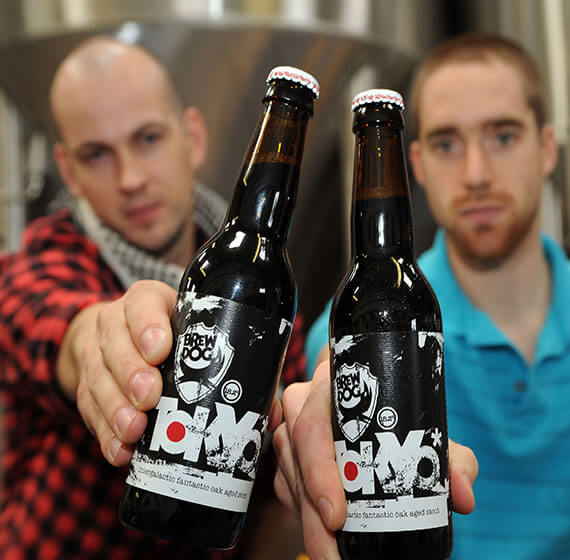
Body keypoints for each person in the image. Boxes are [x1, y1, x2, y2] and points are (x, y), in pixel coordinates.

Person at [0, 36, 307, 559]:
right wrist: (104, 345)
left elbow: (273, 509)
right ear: (68, 171)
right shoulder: (42, 261)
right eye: (97, 155)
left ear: (193, 138)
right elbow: (55, 326)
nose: (131, 179)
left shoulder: (265, 291)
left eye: (147, 139)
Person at [275, 31, 568, 559]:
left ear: (547, 148)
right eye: (446, 144)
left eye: (503, 136)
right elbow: (328, 379)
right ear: (416, 164)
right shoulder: (358, 318)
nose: (476, 174)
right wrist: (321, 412)